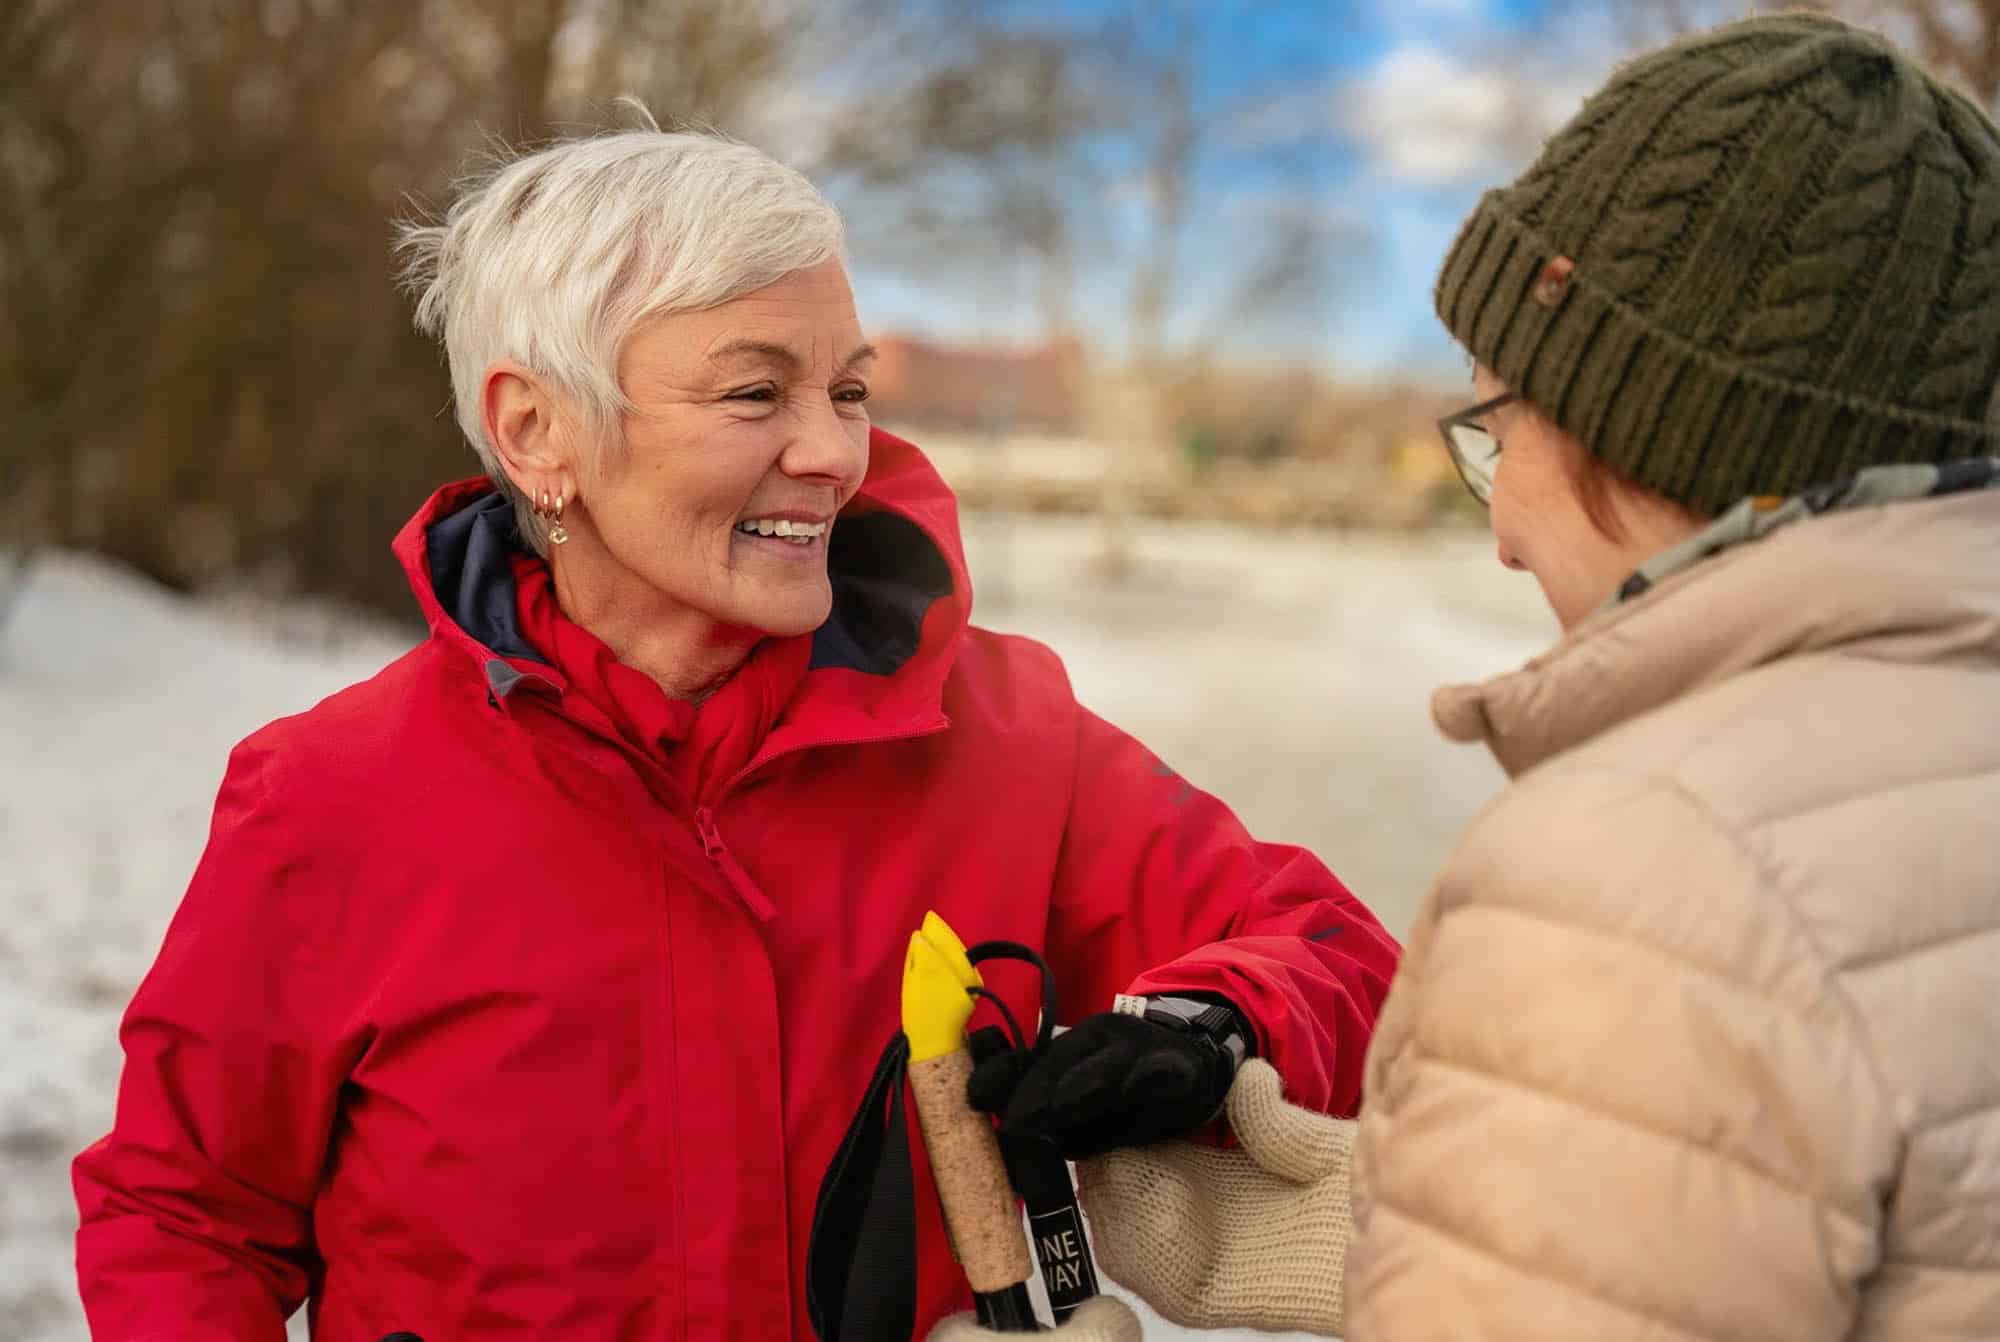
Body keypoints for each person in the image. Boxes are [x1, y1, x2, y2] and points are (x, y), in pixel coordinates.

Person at [69, 118, 1400, 1339]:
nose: (832, 452)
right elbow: (185, 1218)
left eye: (849, 391)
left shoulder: (1010, 737)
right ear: (537, 430)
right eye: (757, 395)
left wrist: (1208, 1026)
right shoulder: (330, 797)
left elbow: (1341, 951)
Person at [1072, 13, 2000, 1339]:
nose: (1499, 527)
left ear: (1657, 424)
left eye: (1497, 424)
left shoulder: (1649, 867)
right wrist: (1421, 1204)